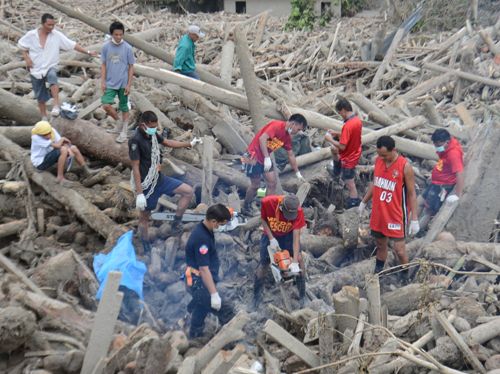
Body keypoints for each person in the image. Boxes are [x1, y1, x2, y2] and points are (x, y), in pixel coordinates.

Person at [129, 111, 201, 243]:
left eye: (156, 127)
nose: (154, 130)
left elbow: (167, 142)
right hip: (147, 184)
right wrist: (139, 193)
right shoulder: (135, 141)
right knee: (144, 218)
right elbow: (135, 167)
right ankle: (145, 244)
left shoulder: (152, 134)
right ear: (143, 125)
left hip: (160, 179)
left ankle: (176, 223)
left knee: (188, 191)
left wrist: (189, 144)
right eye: (152, 127)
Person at [359, 136, 419, 279]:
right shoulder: (378, 161)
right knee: (380, 245)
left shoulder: (405, 167)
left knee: (399, 250)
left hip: (396, 214)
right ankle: (377, 274)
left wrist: (415, 218)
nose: (382, 158)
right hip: (379, 213)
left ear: (394, 150)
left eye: (385, 155)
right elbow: (376, 184)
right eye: (379, 155)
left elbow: (412, 194)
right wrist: (364, 201)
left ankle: (406, 275)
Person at [18, 13, 97, 118]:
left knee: (52, 76)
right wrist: (27, 58)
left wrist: (87, 52)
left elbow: (72, 45)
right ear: (42, 24)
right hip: (35, 68)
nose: (51, 27)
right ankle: (44, 117)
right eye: (49, 25)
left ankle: (56, 105)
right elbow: (21, 46)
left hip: (50, 65)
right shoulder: (31, 35)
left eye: (53, 25)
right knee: (40, 96)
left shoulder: (56, 35)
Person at [184, 204, 235, 338]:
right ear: (213, 221)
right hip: (199, 283)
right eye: (220, 224)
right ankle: (229, 341)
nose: (221, 227)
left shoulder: (205, 229)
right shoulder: (202, 239)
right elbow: (203, 269)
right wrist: (213, 294)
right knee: (227, 311)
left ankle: (194, 335)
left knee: (202, 308)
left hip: (200, 281)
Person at [242, 114, 308, 215]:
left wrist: (297, 173)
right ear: (293, 124)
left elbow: (291, 155)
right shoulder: (276, 125)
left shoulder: (286, 137)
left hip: (265, 158)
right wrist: (267, 158)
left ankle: (266, 209)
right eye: (298, 129)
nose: (298, 132)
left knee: (272, 183)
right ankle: (246, 206)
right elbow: (262, 139)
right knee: (256, 185)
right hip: (253, 156)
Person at [253, 194, 306, 307]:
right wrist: (271, 238)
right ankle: (256, 297)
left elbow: (296, 237)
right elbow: (263, 219)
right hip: (270, 234)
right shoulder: (268, 202)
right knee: (263, 264)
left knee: (300, 260)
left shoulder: (299, 211)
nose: (288, 218)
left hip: (288, 235)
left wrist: (295, 261)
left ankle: (302, 295)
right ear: (281, 206)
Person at [418, 129, 464, 229]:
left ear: (446, 142)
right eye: (435, 144)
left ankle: (415, 232)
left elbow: (459, 173)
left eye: (438, 145)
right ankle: (411, 226)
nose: (436, 147)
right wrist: (433, 175)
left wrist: (457, 195)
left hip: (442, 186)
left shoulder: (453, 154)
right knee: (419, 202)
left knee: (429, 211)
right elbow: (443, 163)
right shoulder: (446, 147)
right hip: (436, 182)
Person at [324, 98, 363, 208]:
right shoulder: (357, 120)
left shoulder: (348, 125)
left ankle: (354, 200)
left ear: (344, 110)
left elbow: (342, 146)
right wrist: (336, 133)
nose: (340, 115)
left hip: (349, 156)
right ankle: (337, 170)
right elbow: (350, 135)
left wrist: (330, 139)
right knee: (333, 150)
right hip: (355, 151)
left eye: (340, 112)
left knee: (349, 181)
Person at [100, 21, 135, 143]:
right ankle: (119, 121)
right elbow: (103, 65)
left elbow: (131, 66)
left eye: (121, 34)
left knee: (124, 106)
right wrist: (103, 81)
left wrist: (129, 84)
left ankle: (124, 131)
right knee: (105, 104)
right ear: (111, 34)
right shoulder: (105, 47)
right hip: (110, 82)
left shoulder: (128, 48)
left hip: (123, 83)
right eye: (116, 35)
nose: (119, 37)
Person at [30, 121, 97, 184]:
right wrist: (63, 139)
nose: (48, 136)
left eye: (48, 133)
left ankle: (86, 170)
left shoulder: (52, 130)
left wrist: (70, 150)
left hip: (50, 154)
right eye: (44, 135)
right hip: (41, 162)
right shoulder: (36, 137)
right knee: (63, 150)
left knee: (73, 148)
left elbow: (64, 143)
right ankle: (60, 177)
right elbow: (58, 145)